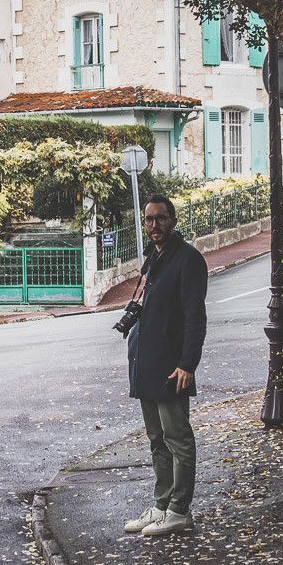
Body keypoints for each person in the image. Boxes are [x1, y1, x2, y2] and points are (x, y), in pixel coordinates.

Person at [122, 194, 208, 538]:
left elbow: (195, 317)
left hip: (172, 365)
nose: (154, 225)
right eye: (148, 219)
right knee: (157, 439)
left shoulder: (188, 260)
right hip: (147, 362)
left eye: (160, 218)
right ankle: (161, 505)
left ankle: (179, 510)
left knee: (178, 438)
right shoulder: (153, 260)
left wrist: (188, 363)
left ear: (173, 220)